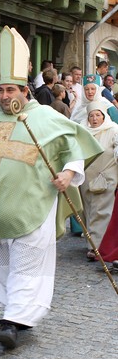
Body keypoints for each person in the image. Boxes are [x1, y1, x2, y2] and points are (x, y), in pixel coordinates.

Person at [0, 26, 103, 350]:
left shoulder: (47, 119)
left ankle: (12, 321)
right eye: (2, 89)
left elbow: (76, 149)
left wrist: (68, 173)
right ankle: (12, 310)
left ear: (25, 90)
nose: (6, 95)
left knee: (26, 265)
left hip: (31, 210)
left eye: (11, 89)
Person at [78, 100, 118, 261]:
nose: (94, 119)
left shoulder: (114, 130)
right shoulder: (83, 131)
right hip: (87, 178)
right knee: (88, 211)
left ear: (104, 116)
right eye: (91, 116)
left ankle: (98, 248)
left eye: (98, 115)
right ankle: (91, 244)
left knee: (102, 212)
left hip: (107, 177)